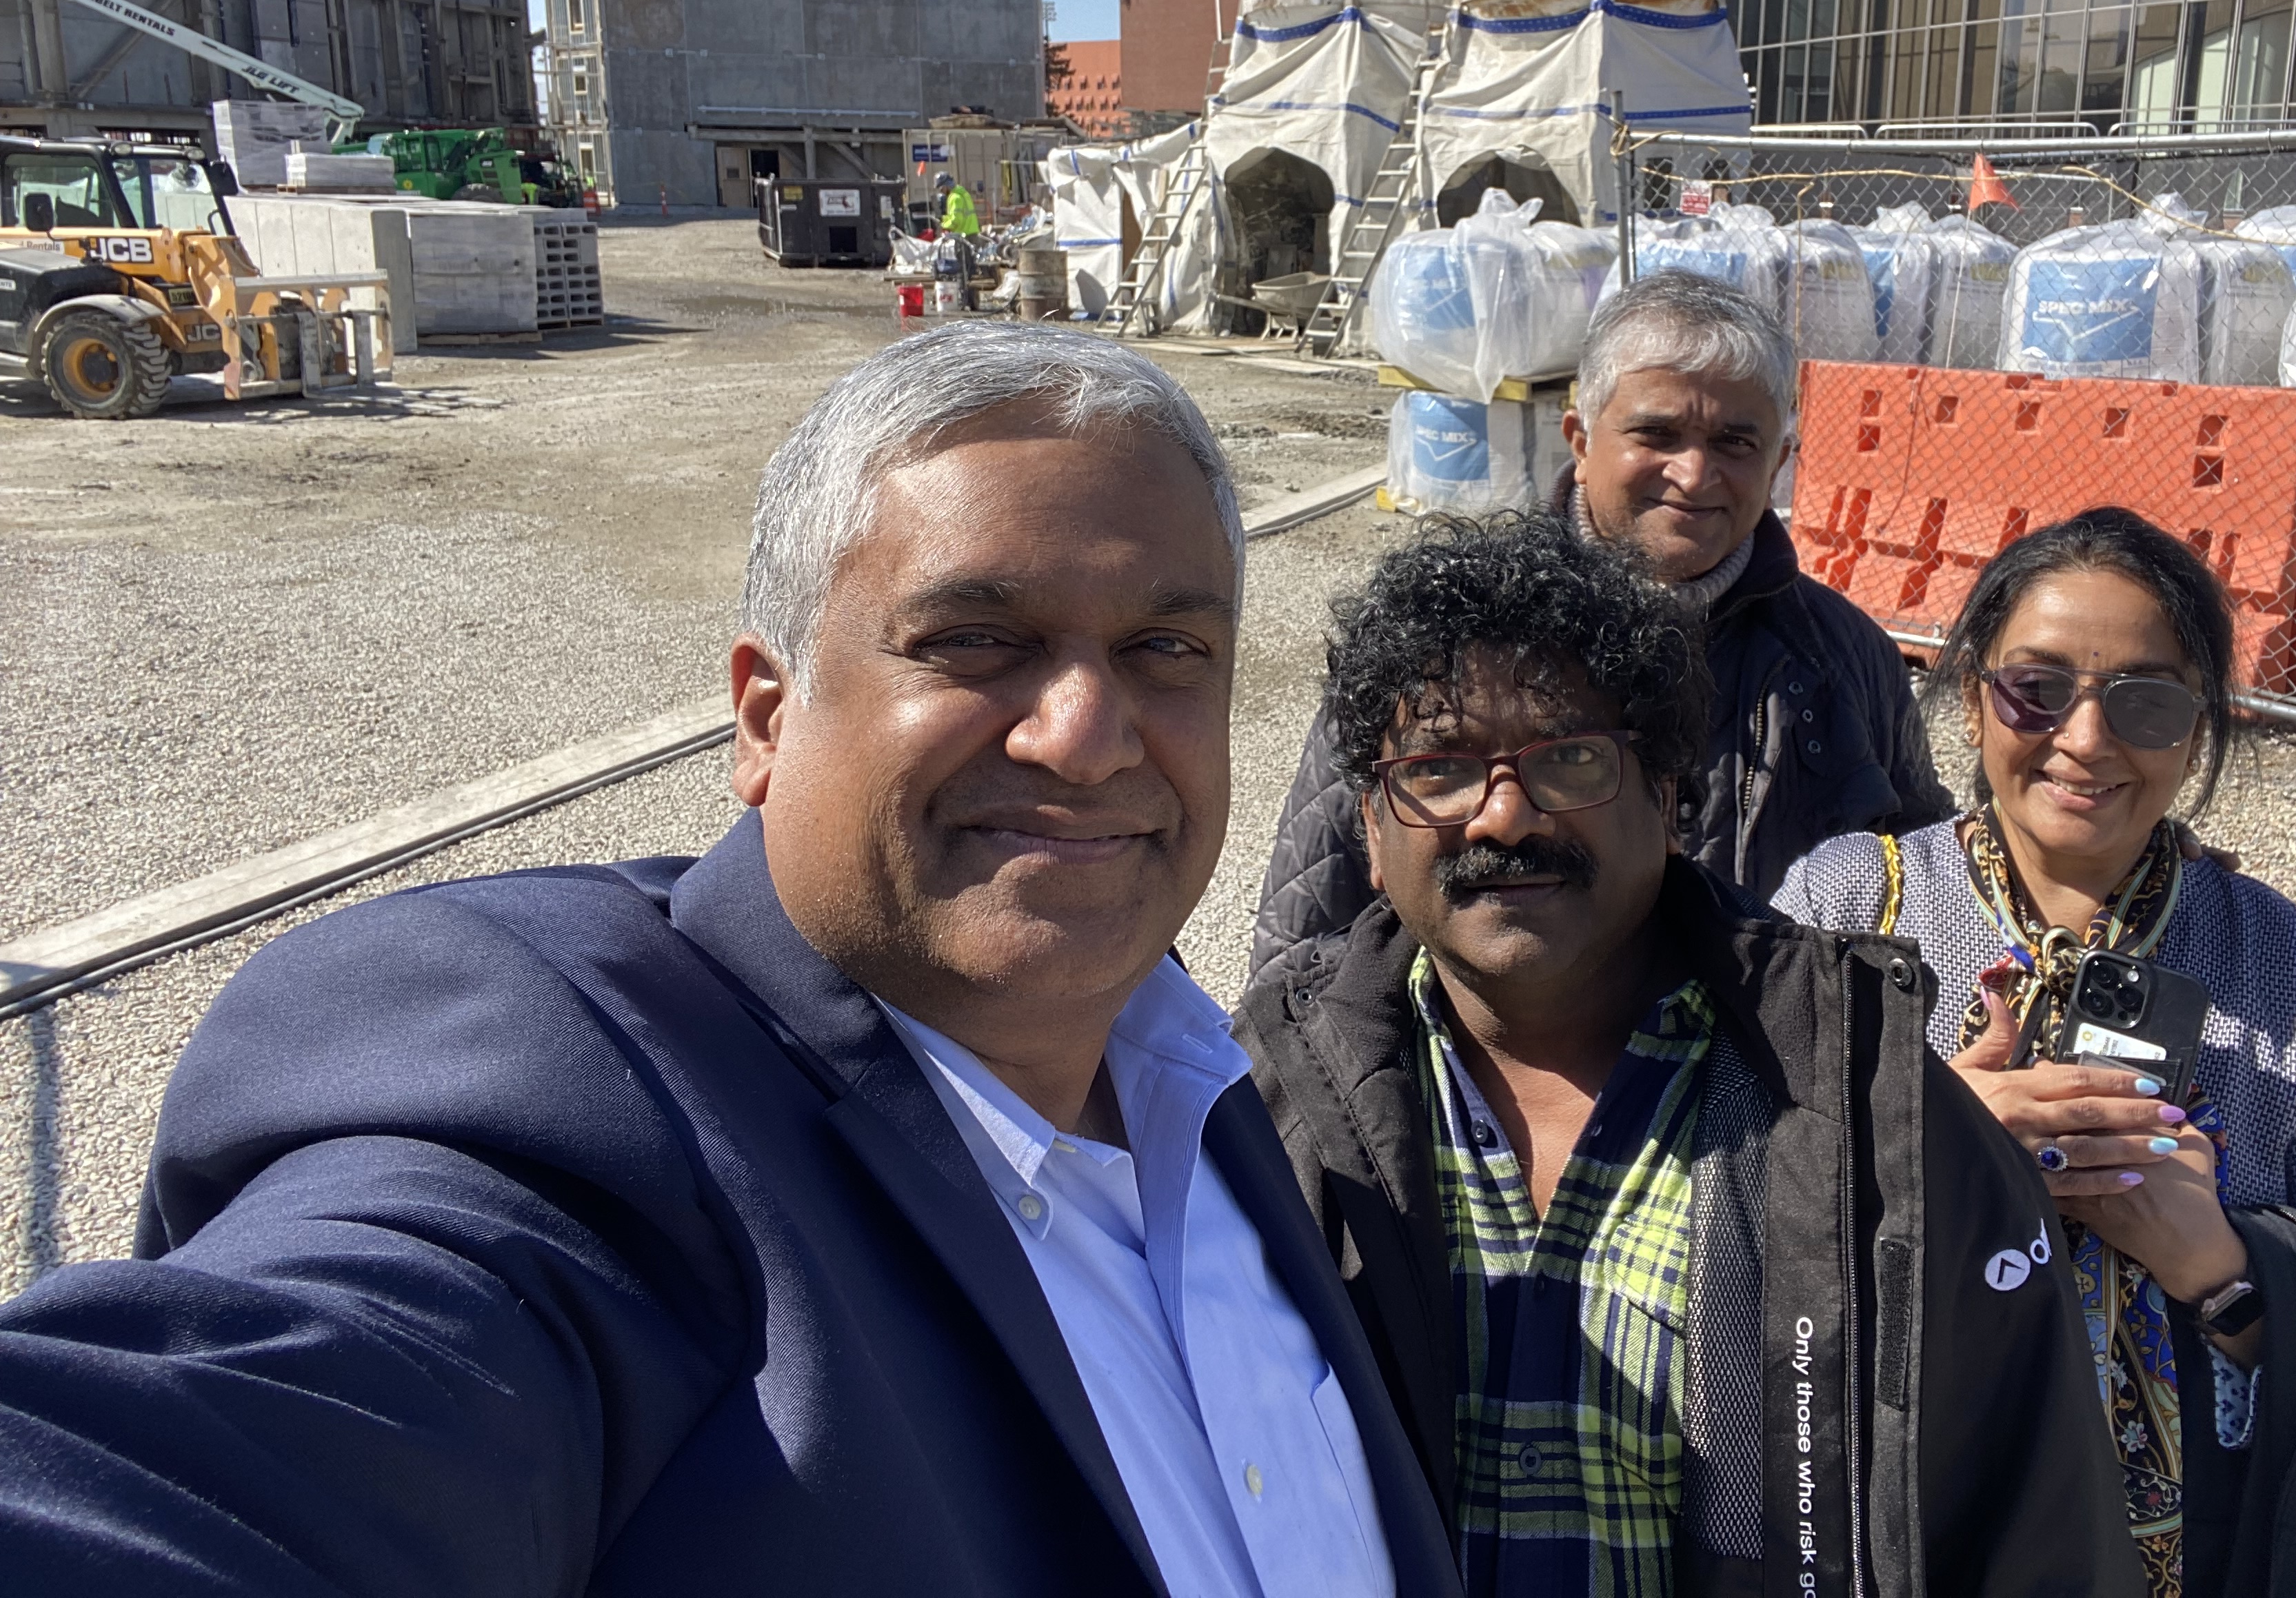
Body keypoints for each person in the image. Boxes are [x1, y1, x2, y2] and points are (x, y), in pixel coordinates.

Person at [0, 325, 1461, 1598]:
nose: (1084, 732)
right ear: (765, 718)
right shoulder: (575, 1108)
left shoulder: (1192, 1074)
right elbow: (232, 1448)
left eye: (1164, 650)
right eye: (971, 640)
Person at [1239, 510, 2144, 1598]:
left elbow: (2038, 1533)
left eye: (1571, 757)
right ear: (1372, 834)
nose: (1505, 815)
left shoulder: (1866, 1112)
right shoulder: (1261, 1106)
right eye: (1438, 769)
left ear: (1668, 799)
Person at [1772, 507, 2296, 1597]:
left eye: (2145, 701)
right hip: (1895, 1518)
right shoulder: (1845, 906)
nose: (2085, 740)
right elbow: (1715, 1192)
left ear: (2201, 726)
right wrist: (1928, 1137)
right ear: (1972, 690)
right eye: (2035, 688)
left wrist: (2226, 1269)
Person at [1254, 272, 1948, 973]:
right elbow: (1307, 936)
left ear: (1779, 465)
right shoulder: (1439, 636)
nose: (1694, 473)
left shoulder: (1846, 657)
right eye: (1658, 433)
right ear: (1581, 441)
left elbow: (1931, 887)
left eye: (1736, 442)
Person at [941, 175, 982, 309]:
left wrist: (944, 224)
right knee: (970, 268)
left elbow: (956, 221)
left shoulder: (955, 197)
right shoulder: (963, 193)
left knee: (962, 268)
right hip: (972, 233)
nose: (941, 191)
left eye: (942, 188)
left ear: (946, 186)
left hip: (963, 236)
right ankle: (971, 300)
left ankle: (964, 300)